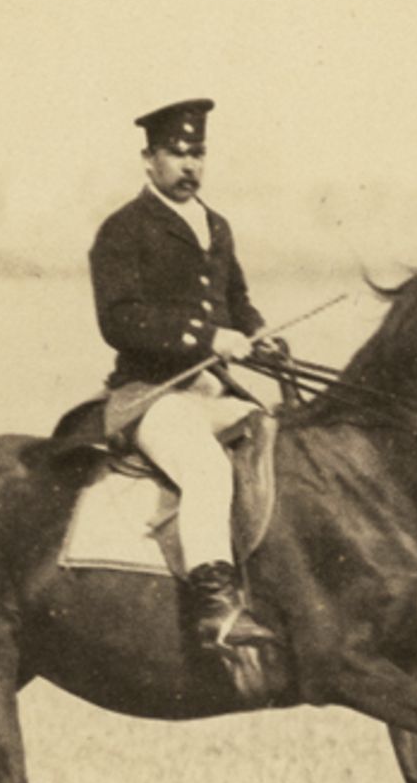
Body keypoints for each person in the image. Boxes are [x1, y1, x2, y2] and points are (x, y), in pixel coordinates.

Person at [89, 98, 280, 652]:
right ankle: (214, 610)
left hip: (209, 391)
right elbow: (118, 319)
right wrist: (204, 339)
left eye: (197, 153)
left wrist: (260, 334)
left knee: (277, 442)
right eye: (177, 153)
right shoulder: (123, 229)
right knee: (205, 469)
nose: (189, 165)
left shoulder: (216, 226)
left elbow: (236, 302)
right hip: (150, 396)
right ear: (149, 160)